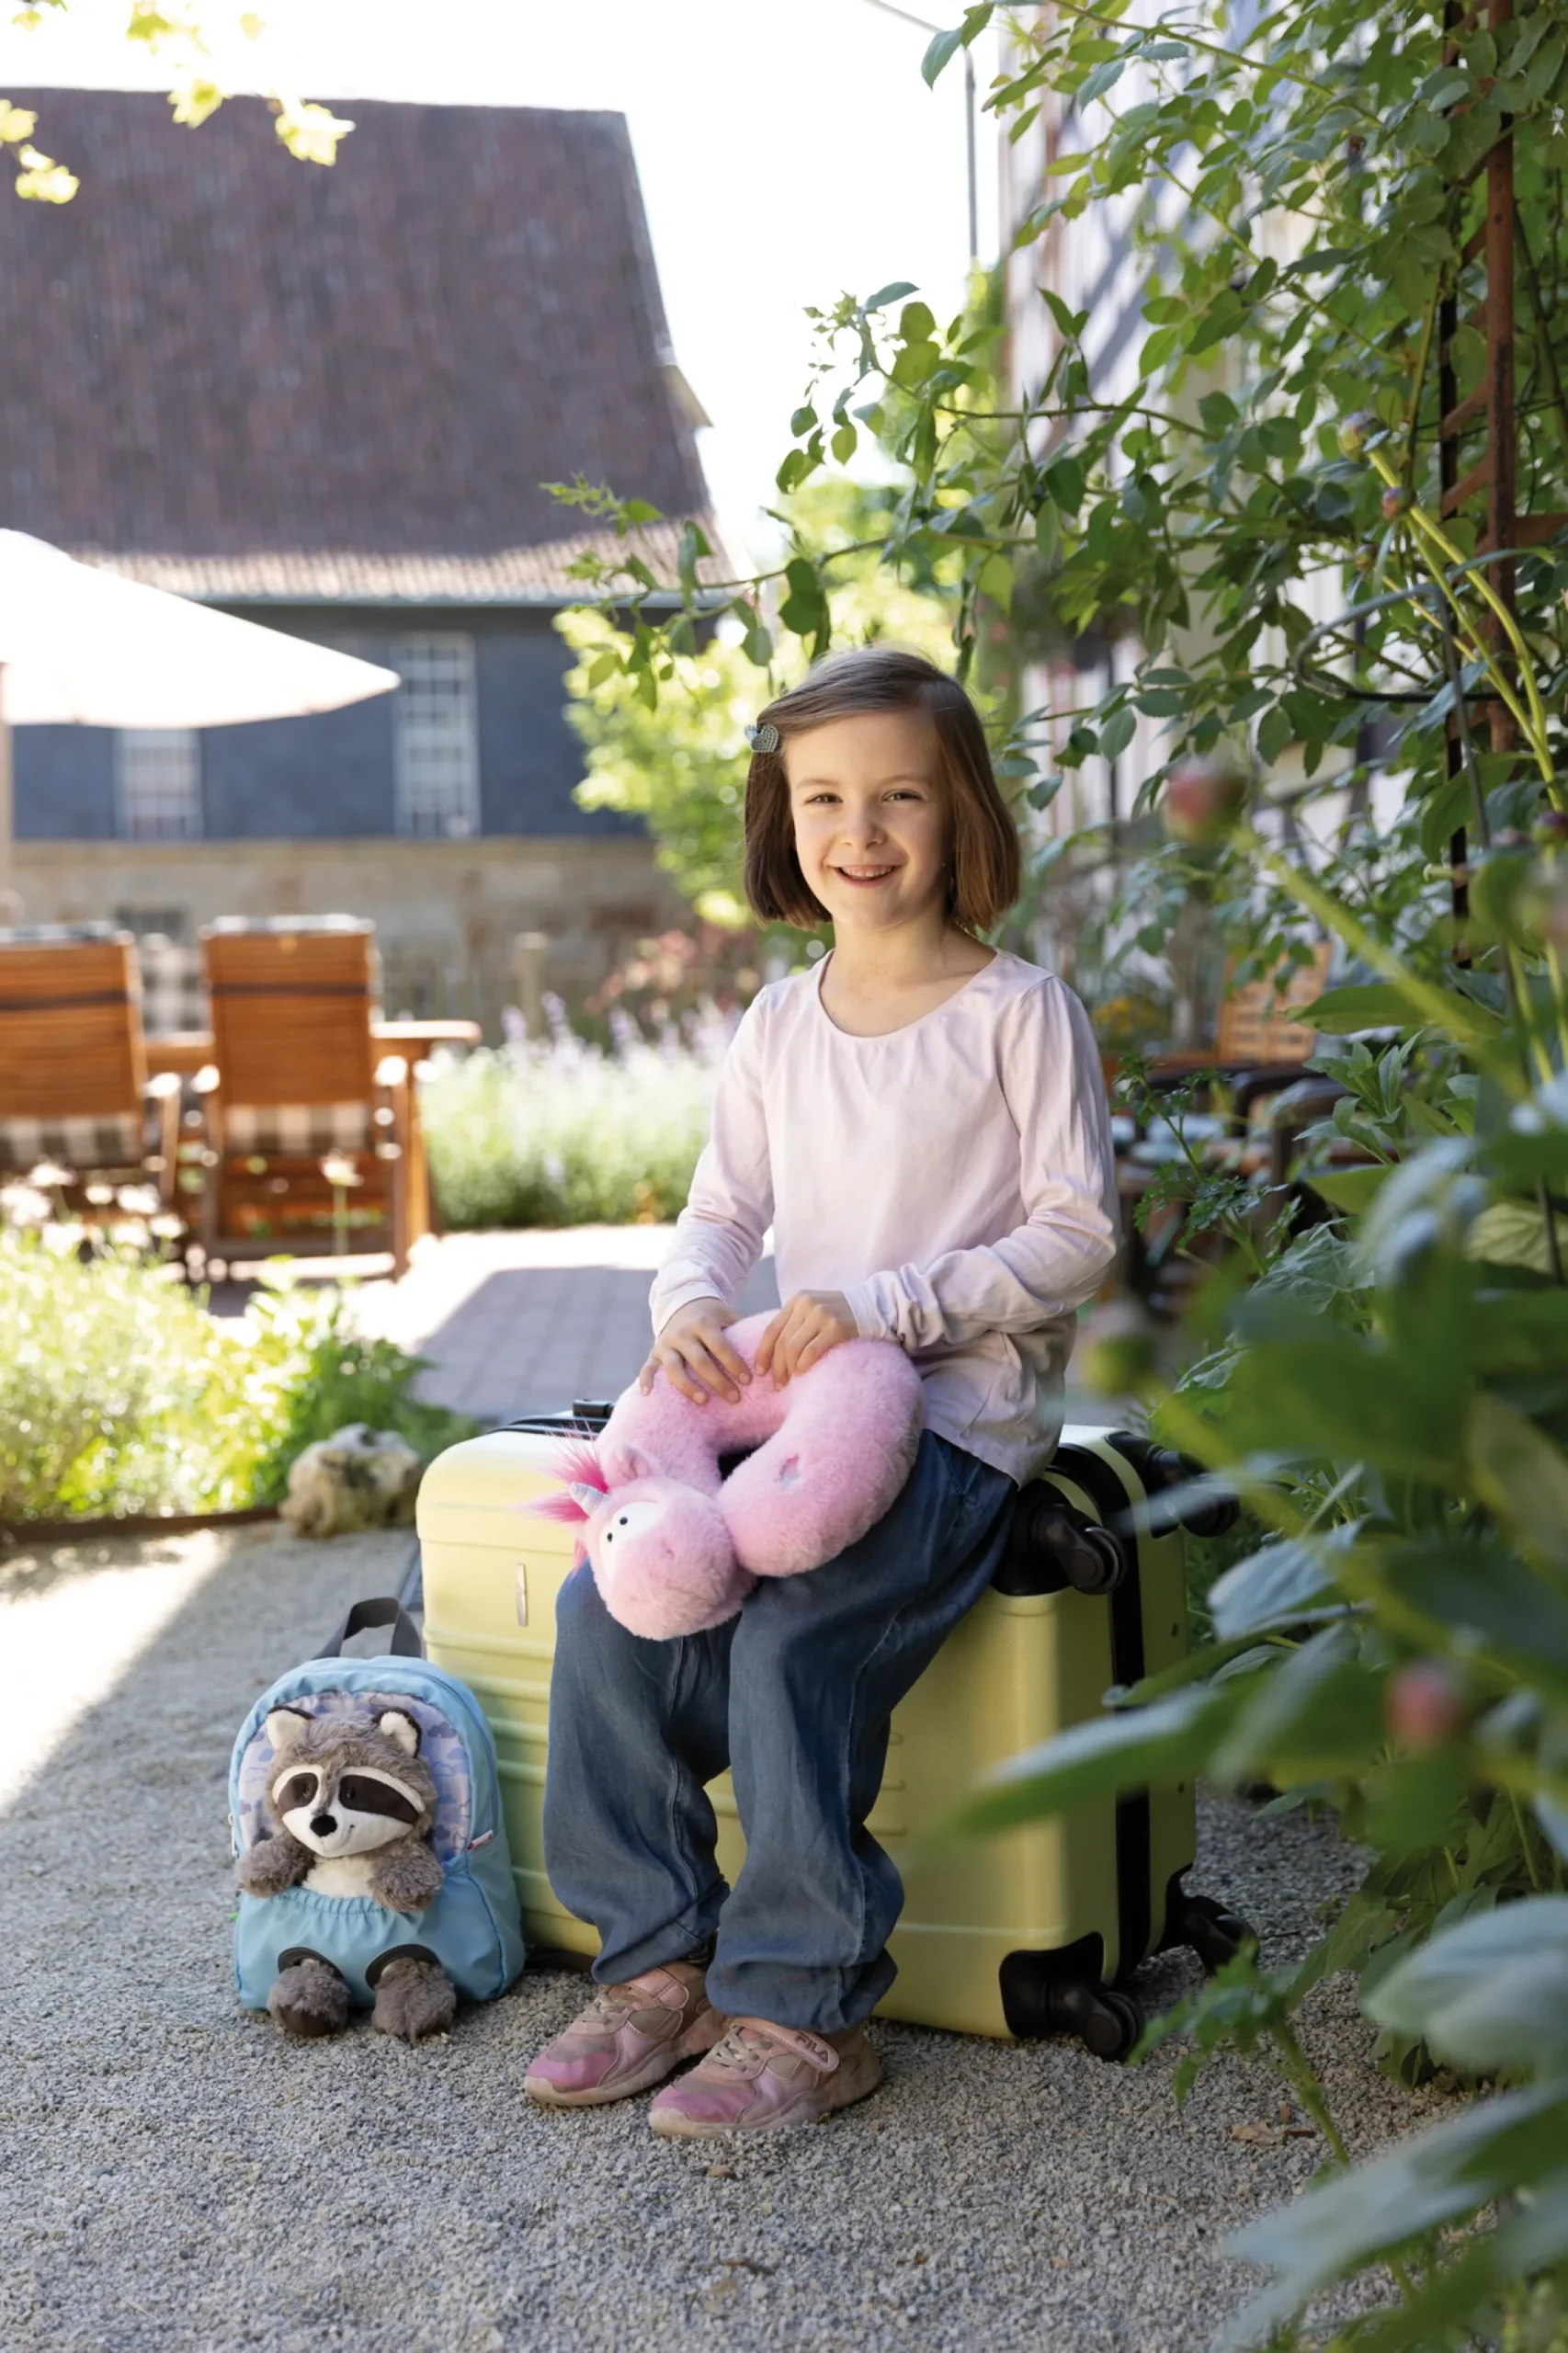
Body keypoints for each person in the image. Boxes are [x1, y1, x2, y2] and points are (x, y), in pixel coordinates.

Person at [524, 645, 1119, 2138]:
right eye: (824, 799)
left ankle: (805, 2008)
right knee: (601, 1609)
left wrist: (884, 1304)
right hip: (790, 1422)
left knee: (792, 1643)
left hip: (947, 1428)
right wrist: (684, 1311)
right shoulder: (779, 1026)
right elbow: (723, 1212)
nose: (860, 830)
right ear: (782, 820)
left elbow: (1075, 1233)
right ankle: (660, 1967)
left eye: (900, 796)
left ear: (960, 812)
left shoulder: (1017, 1013)